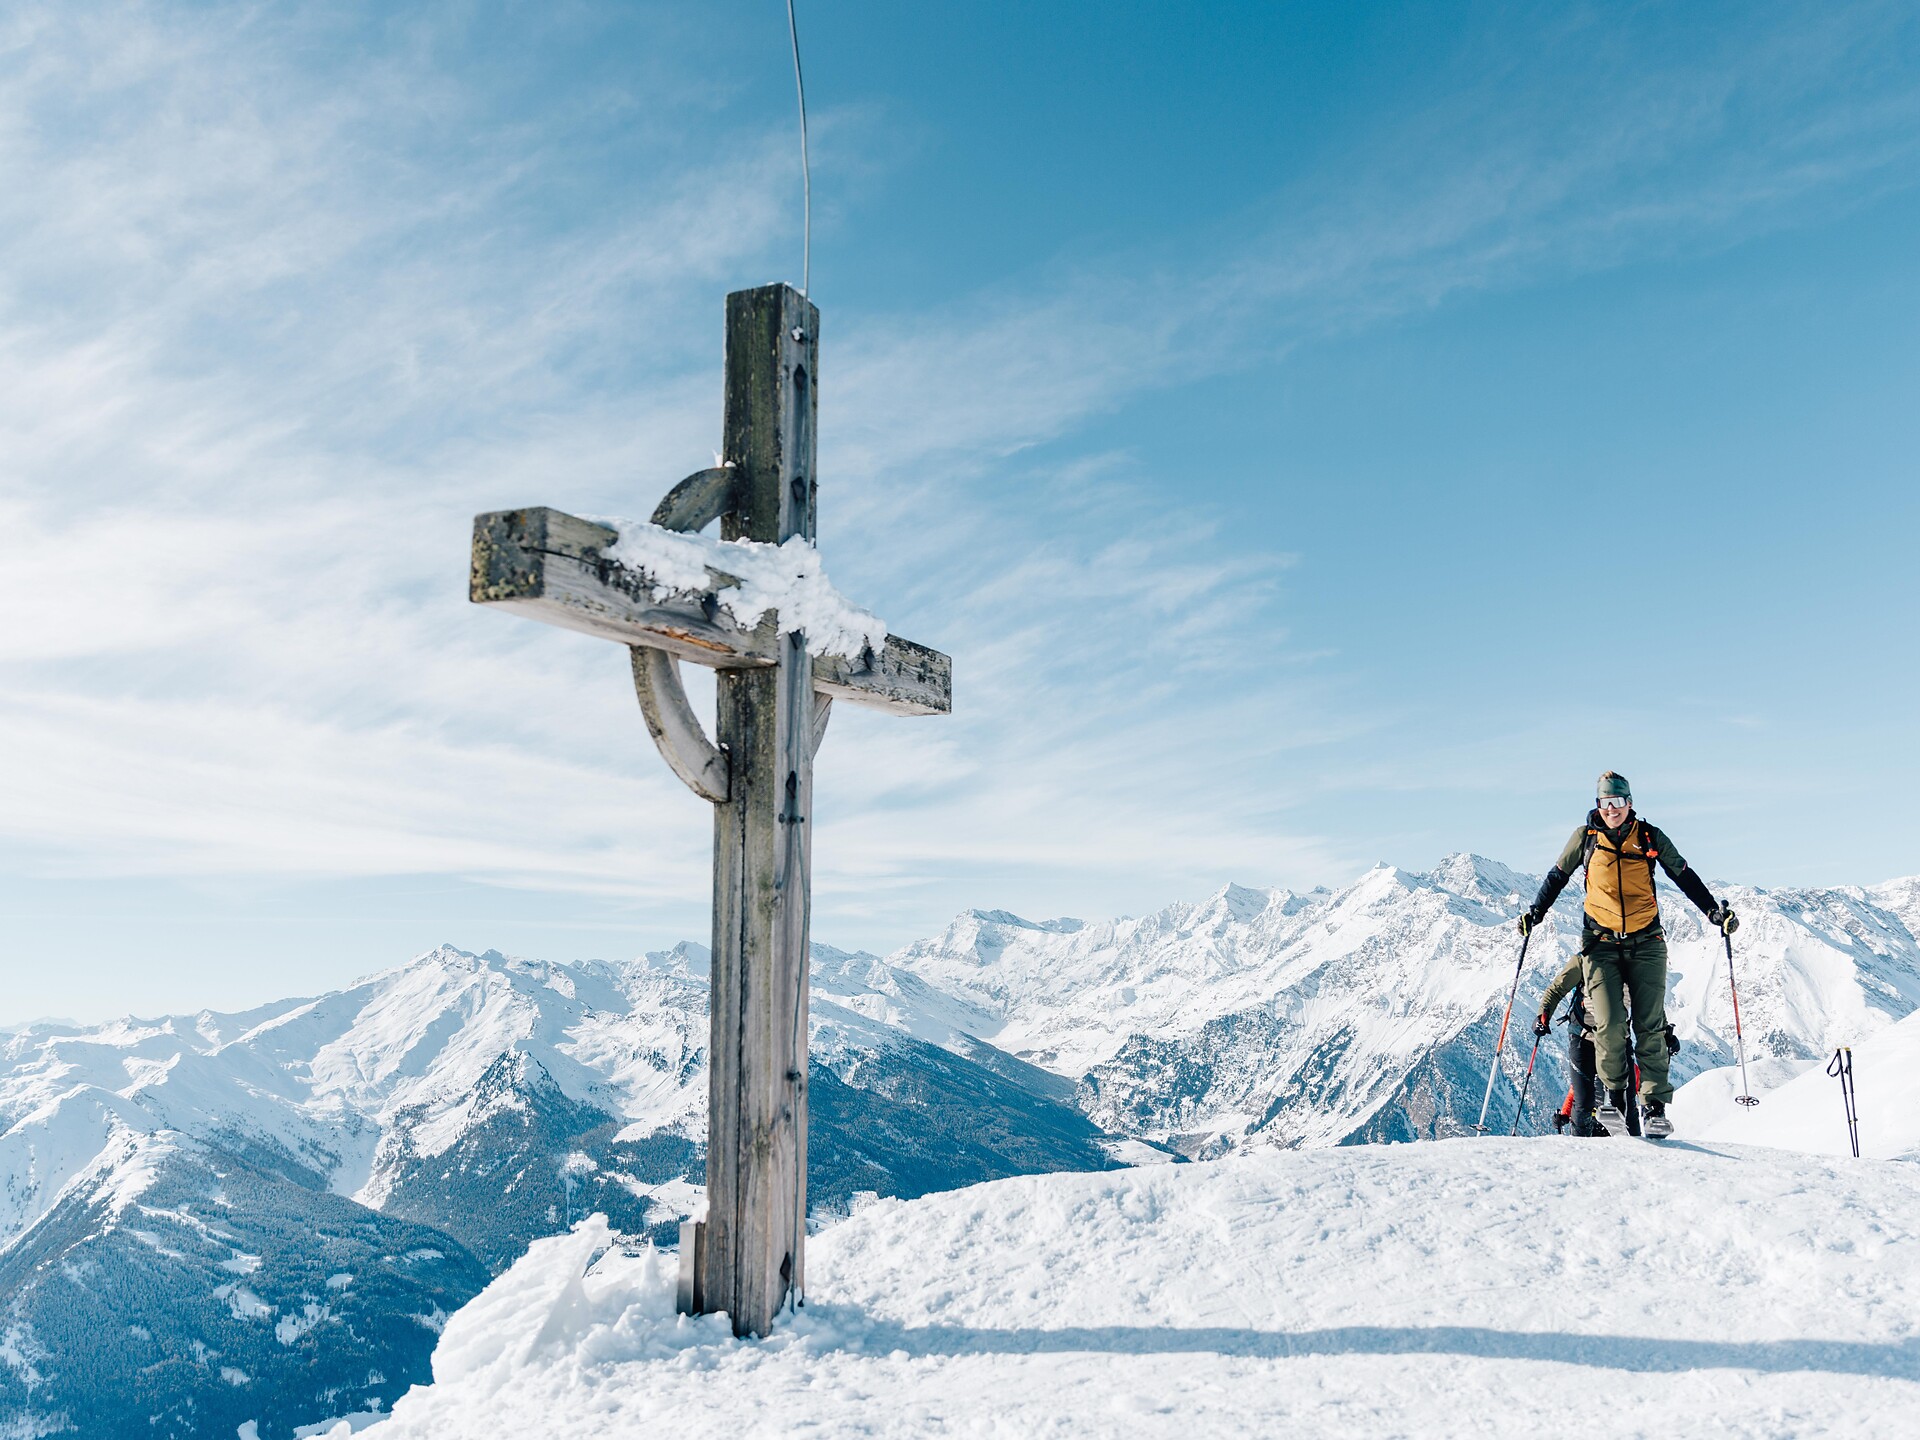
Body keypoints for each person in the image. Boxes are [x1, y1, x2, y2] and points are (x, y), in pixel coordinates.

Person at [1517, 771, 1736, 1139]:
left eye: (1618, 802)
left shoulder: (1649, 837)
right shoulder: (1585, 838)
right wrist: (1535, 913)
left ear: (1630, 803)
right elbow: (1557, 876)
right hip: (1600, 943)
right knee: (1610, 1021)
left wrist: (1714, 912)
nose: (1612, 809)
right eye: (1605, 803)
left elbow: (1682, 874)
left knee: (1650, 1025)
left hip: (1646, 940)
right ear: (1597, 804)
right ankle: (1615, 1099)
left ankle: (1653, 1108)